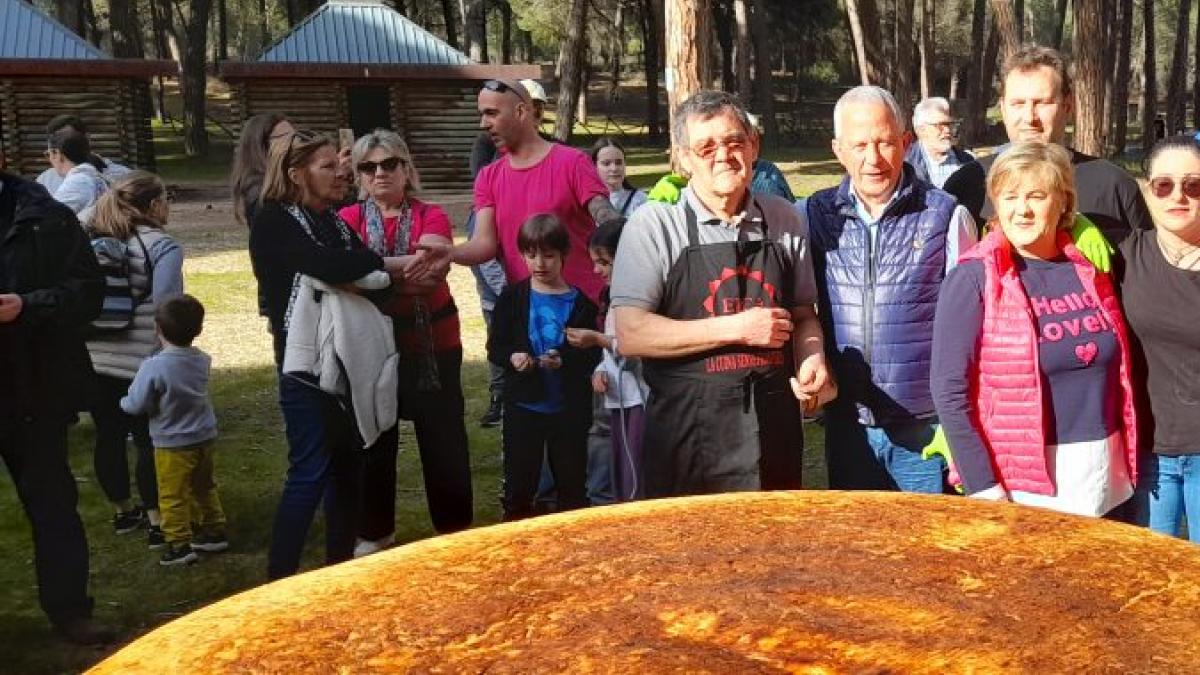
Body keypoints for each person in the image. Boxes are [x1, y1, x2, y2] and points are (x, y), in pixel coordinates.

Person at [611, 90, 829, 496]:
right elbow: (631, 333)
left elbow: (803, 313)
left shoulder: (784, 218)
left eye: (734, 142)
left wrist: (811, 354)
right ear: (684, 158)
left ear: (754, 146)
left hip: (773, 430)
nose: (723, 156)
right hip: (687, 437)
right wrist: (737, 329)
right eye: (706, 147)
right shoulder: (654, 226)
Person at [930, 141, 1139, 516]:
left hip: (1107, 480)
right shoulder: (973, 278)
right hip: (1024, 491)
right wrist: (984, 488)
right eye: (1009, 197)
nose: (1022, 209)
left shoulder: (1088, 269)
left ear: (1063, 203)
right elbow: (948, 391)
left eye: (1037, 196)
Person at [249, 129, 411, 579]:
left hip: (348, 364)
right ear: (296, 174)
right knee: (309, 472)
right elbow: (335, 265)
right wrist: (356, 269)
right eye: (328, 166)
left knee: (347, 469)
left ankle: (337, 574)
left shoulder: (333, 221)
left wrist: (360, 269)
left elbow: (367, 264)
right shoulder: (275, 221)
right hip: (307, 369)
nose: (342, 172)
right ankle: (279, 579)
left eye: (338, 166)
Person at [803, 85, 977, 494]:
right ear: (837, 150)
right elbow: (800, 306)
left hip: (925, 428)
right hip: (848, 425)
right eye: (859, 145)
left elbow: (973, 327)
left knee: (928, 549)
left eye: (884, 142)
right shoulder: (812, 215)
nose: (873, 159)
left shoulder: (948, 216)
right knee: (857, 549)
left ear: (905, 142)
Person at [340, 129, 473, 552]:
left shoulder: (430, 214)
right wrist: (392, 275)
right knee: (374, 441)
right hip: (372, 352)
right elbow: (344, 277)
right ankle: (375, 533)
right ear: (359, 176)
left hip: (435, 345)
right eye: (368, 166)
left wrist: (372, 276)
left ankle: (453, 532)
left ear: (405, 168)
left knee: (444, 442)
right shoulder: (348, 221)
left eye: (389, 164)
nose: (380, 173)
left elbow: (433, 268)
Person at [0, 168, 111, 644]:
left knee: (52, 504)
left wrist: (27, 305)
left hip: (33, 387)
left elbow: (87, 293)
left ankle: (70, 611)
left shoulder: (46, 215)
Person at [431, 78, 620, 305]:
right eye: (481, 114)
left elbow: (607, 218)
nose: (483, 123)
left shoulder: (573, 162)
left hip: (583, 311)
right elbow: (484, 243)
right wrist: (451, 253)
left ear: (521, 111)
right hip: (526, 314)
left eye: (491, 113)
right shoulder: (488, 177)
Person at [943, 45, 1152, 245]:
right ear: (1003, 109)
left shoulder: (1113, 186)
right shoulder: (968, 184)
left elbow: (1147, 270)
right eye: (1018, 104)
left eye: (1042, 103)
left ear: (1067, 106)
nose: (1029, 117)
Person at [84, 171, 184, 546]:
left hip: (95, 357)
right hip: (141, 358)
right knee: (146, 439)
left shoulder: (95, 238)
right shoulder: (162, 246)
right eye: (166, 199)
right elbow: (166, 305)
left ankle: (122, 512)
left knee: (107, 435)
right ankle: (158, 519)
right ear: (153, 205)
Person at [489, 214, 600, 520]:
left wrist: (565, 360)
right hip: (523, 406)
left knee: (572, 485)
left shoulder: (581, 305)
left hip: (568, 410)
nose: (540, 263)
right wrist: (513, 357)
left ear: (564, 255)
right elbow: (496, 346)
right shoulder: (512, 299)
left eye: (549, 255)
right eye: (531, 255)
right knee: (519, 485)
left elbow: (591, 357)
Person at [1123, 136, 1200, 539]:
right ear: (1148, 190)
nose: (1179, 196)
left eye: (1194, 185)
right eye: (1164, 185)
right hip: (1147, 454)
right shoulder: (1123, 255)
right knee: (1154, 578)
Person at [120, 294, 225, 566]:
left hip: (172, 442)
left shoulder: (154, 366)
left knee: (172, 494)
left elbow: (137, 403)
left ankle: (179, 544)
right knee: (204, 486)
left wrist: (123, 402)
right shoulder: (201, 360)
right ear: (198, 330)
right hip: (204, 435)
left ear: (157, 330)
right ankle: (215, 530)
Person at [566, 220, 649, 501]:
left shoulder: (641, 299)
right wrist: (600, 370)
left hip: (639, 402)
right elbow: (611, 348)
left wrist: (597, 340)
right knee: (620, 476)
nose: (596, 270)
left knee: (637, 476)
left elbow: (636, 347)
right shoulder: (611, 296)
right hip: (617, 400)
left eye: (604, 262)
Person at [467, 131, 509, 427]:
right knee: (497, 346)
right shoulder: (481, 210)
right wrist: (509, 291)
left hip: (522, 291)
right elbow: (483, 257)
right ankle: (498, 397)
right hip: (499, 296)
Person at [36, 114, 130, 195]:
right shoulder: (45, 181)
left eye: (68, 139)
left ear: (87, 139)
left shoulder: (122, 176)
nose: (61, 145)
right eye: (55, 141)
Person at [231, 112, 294, 228]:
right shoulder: (259, 191)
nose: (295, 143)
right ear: (261, 145)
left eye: (295, 136)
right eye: (287, 138)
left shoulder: (287, 177)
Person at [905, 97, 973, 189]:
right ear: (921, 130)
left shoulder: (967, 161)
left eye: (949, 124)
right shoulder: (906, 166)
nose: (947, 130)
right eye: (939, 125)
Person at [45, 128, 110, 218]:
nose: (49, 159)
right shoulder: (93, 176)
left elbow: (51, 217)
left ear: (57, 154)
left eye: (48, 154)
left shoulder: (78, 181)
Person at [592, 137, 648, 216]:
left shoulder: (640, 201)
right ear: (595, 166)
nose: (614, 169)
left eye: (618, 163)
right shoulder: (589, 202)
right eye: (606, 163)